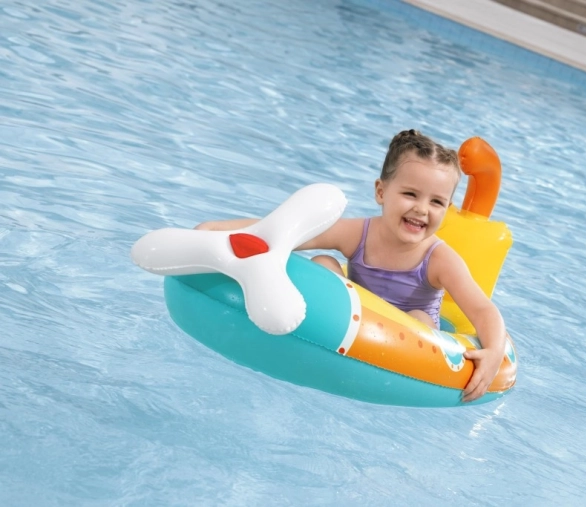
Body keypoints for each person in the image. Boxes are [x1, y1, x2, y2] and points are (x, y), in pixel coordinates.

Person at [195, 130, 507, 402]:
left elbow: (482, 309)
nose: (421, 209)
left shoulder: (439, 258)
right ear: (381, 192)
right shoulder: (359, 233)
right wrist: (217, 230)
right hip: (350, 326)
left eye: (436, 202)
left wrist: (494, 352)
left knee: (419, 318)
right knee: (323, 262)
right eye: (410, 194)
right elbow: (285, 232)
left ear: (447, 209)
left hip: (408, 350)